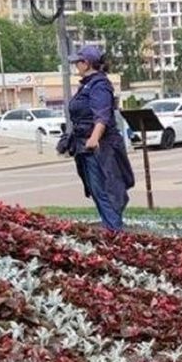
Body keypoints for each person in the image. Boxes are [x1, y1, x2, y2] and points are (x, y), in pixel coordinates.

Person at [62, 45, 134, 231]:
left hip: (100, 147)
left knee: (105, 190)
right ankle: (111, 230)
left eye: (78, 62)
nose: (76, 65)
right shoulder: (87, 84)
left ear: (86, 63)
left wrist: (94, 139)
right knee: (96, 189)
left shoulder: (99, 85)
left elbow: (102, 115)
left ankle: (115, 234)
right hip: (83, 145)